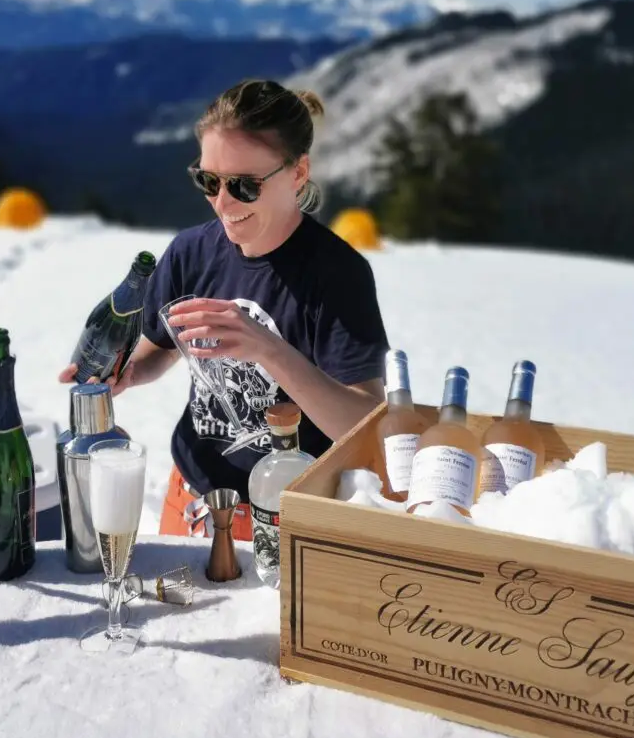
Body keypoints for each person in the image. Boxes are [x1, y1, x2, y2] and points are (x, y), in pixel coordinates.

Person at [59, 79, 390, 539]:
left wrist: (269, 349)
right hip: (190, 499)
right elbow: (160, 349)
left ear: (297, 173)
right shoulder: (190, 252)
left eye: (244, 186)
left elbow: (364, 425)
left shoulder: (338, 275)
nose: (222, 201)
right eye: (208, 180)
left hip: (286, 519)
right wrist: (129, 373)